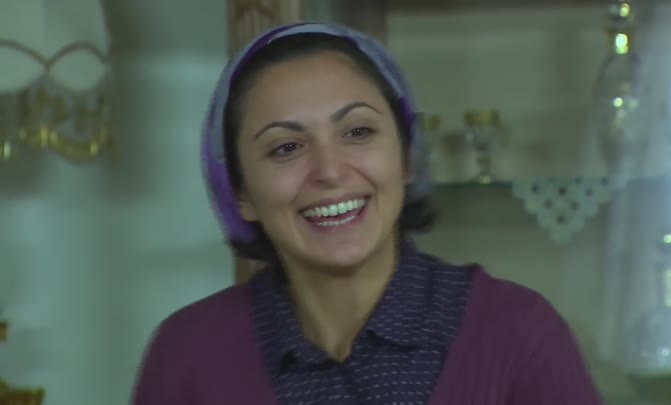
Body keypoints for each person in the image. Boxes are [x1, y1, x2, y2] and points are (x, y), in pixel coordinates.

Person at [132, 22, 603, 404]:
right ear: (241, 194)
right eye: (286, 147)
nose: (330, 171)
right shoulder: (188, 356)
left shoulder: (518, 335)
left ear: (407, 157)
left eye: (357, 132)